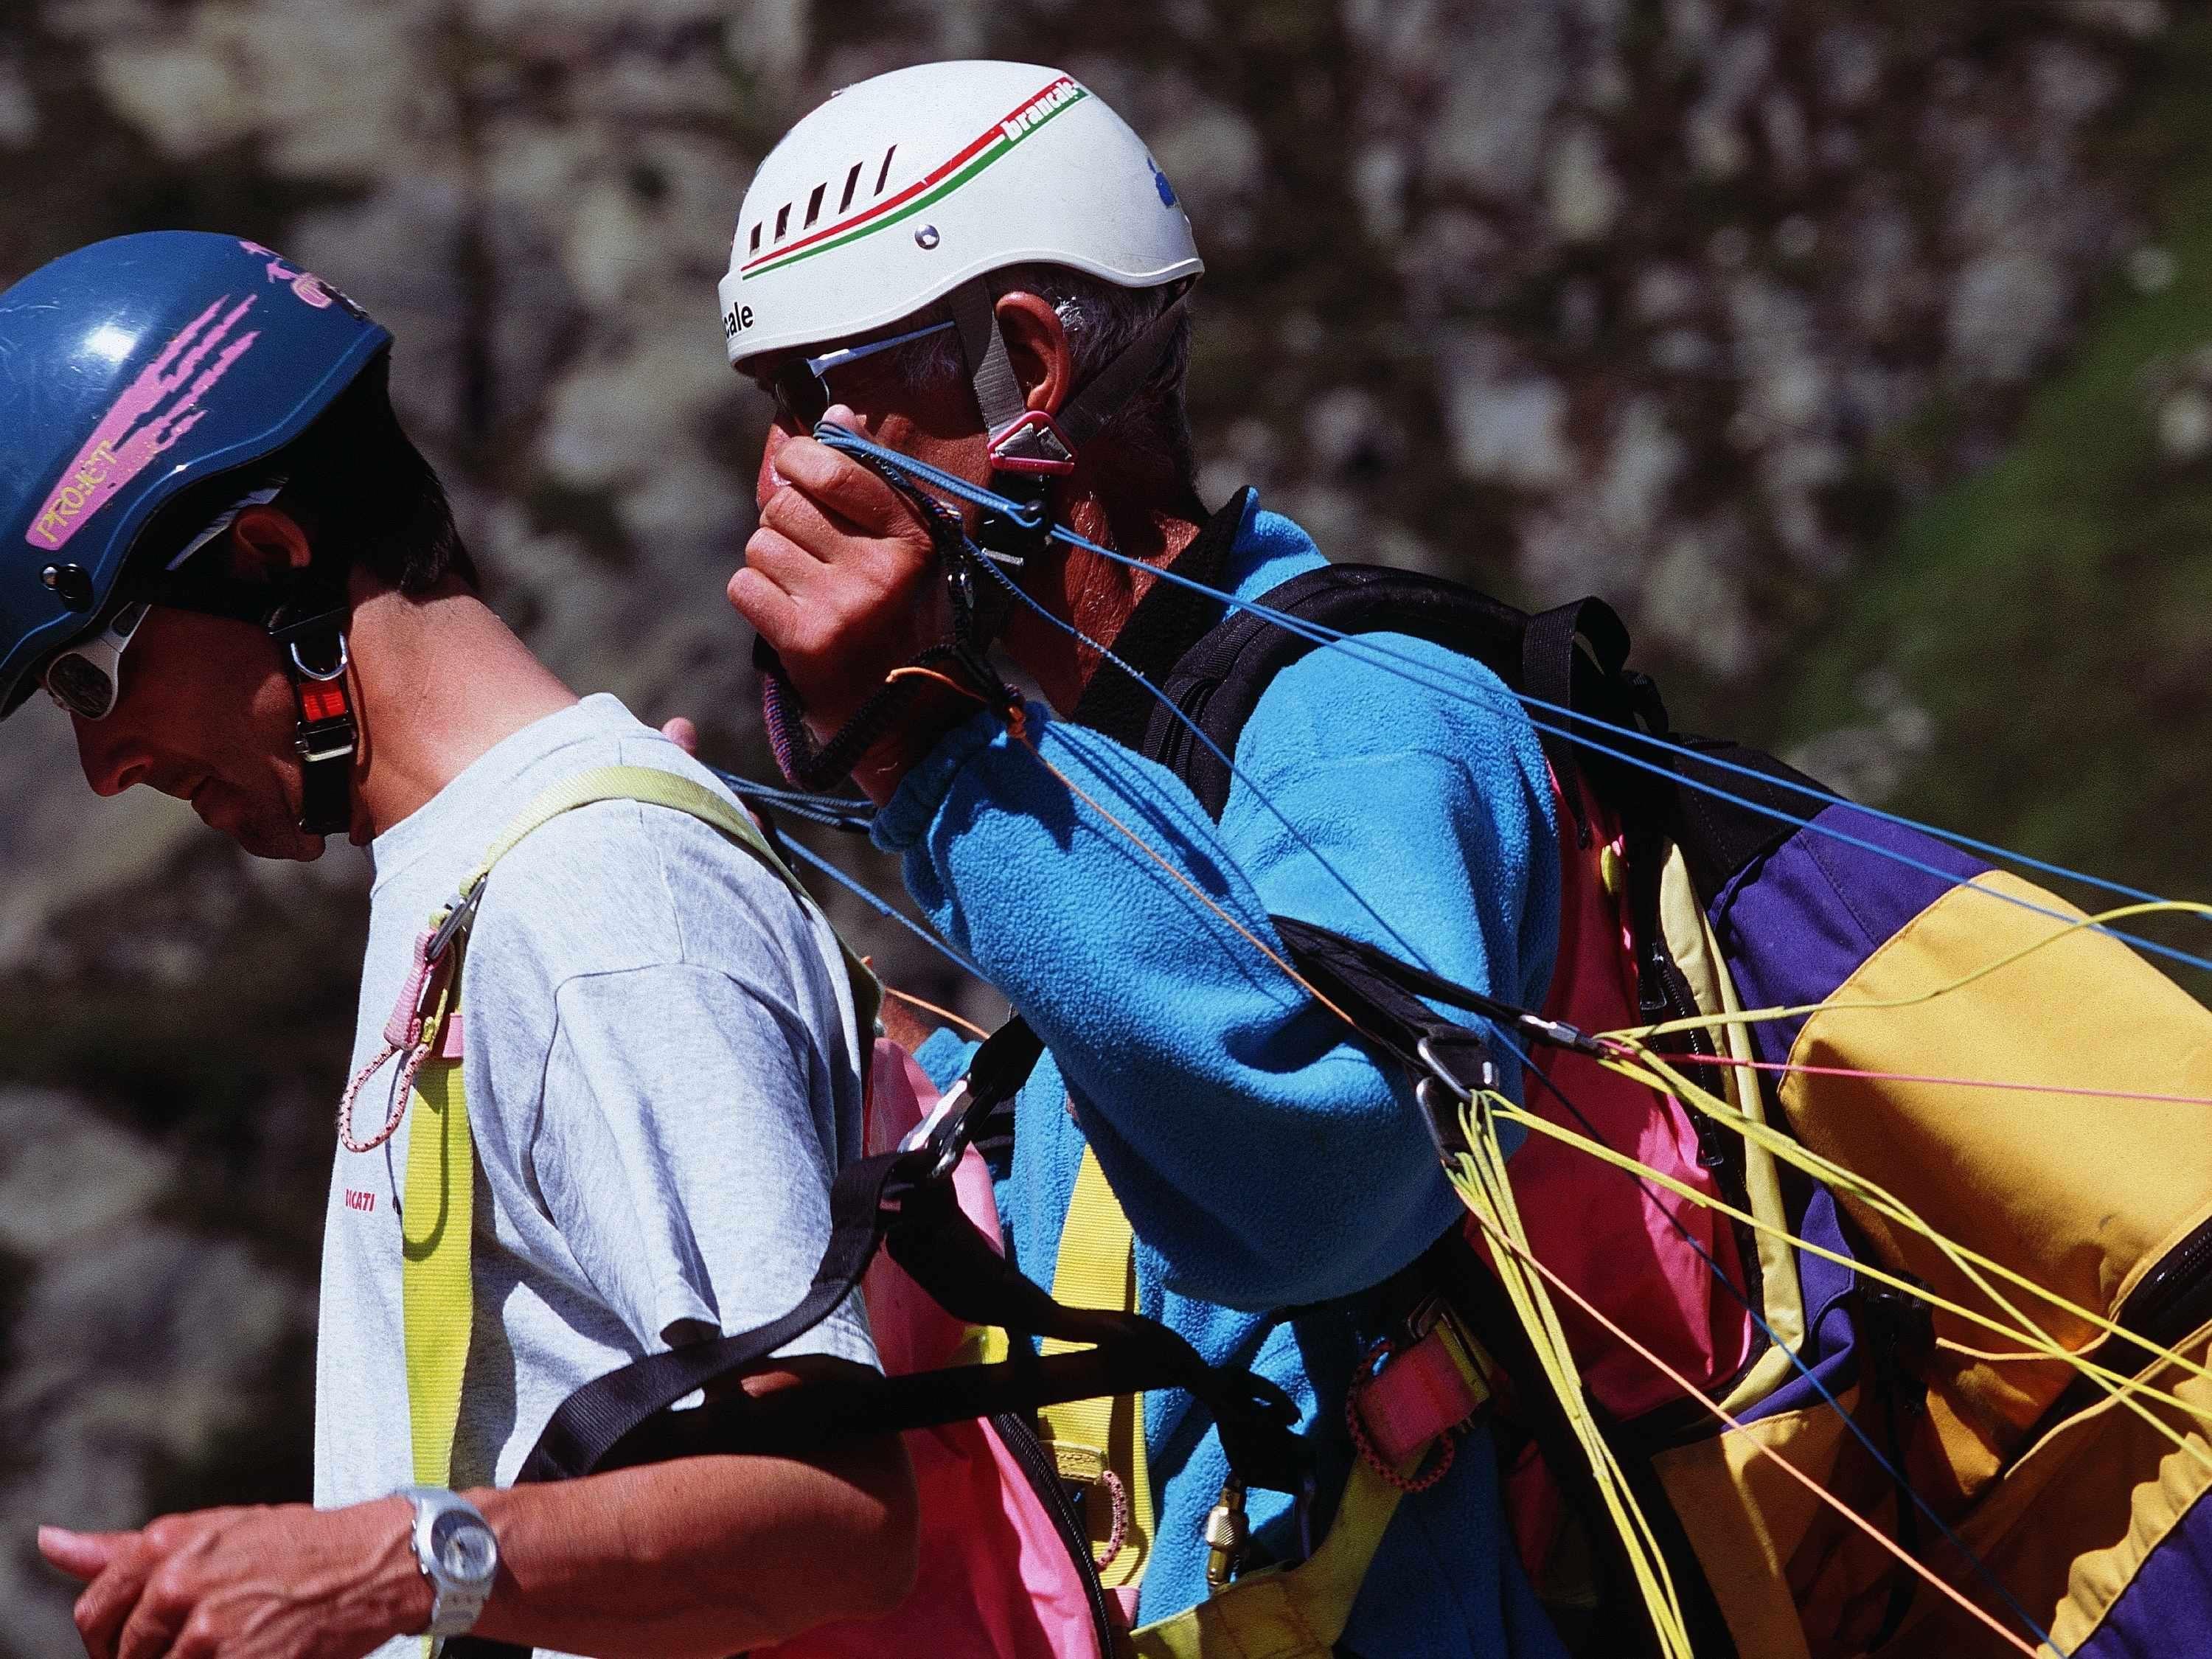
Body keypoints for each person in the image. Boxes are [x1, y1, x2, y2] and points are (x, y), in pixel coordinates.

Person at [717, 61, 1568, 1658]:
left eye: (824, 400)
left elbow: (1337, 1171)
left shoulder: (1359, 722)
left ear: (1027, 363)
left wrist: (931, 757)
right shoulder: (1090, 806)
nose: (785, 480)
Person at [13, 232, 917, 1659]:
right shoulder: (494, 874)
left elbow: (838, 1509)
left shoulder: (597, 897)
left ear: (267, 552)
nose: (103, 765)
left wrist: (380, 1566)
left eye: (87, 673)